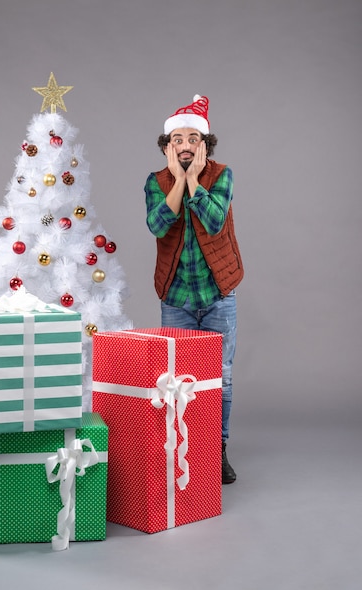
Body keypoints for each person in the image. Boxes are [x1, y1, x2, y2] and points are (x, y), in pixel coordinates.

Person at [145, 94, 244, 484]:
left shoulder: (222, 175)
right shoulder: (156, 182)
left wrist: (193, 182)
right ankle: (181, 446)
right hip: (177, 298)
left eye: (192, 139)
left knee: (222, 375)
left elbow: (215, 220)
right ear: (168, 145)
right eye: (178, 139)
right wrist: (181, 181)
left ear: (204, 143)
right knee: (177, 378)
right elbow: (157, 225)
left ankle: (216, 451)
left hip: (219, 294)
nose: (185, 146)